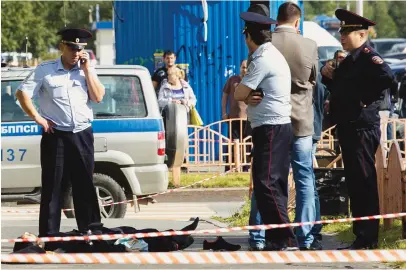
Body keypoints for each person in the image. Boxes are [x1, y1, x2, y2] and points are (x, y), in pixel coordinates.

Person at [15, 28, 105, 237]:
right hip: (56, 136)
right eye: (72, 48)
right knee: (53, 187)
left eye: (80, 49)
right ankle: (49, 236)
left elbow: (98, 97)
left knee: (85, 184)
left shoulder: (87, 70)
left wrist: (88, 70)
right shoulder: (45, 70)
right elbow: (22, 93)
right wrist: (38, 118)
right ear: (62, 46)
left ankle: (90, 232)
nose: (76, 53)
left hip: (82, 134)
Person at [321, 9, 395, 250]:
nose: (342, 36)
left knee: (364, 181)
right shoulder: (350, 59)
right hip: (349, 126)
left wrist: (365, 100)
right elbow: (342, 88)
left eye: (347, 31)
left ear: (361, 34)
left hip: (362, 126)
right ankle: (360, 234)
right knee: (354, 181)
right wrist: (328, 76)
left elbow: (387, 77)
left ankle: (368, 236)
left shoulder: (367, 56)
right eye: (341, 31)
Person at [235, 4, 295, 251]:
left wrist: (246, 95)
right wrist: (249, 96)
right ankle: (276, 238)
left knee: (266, 183)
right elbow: (246, 94)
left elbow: (239, 92)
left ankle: (285, 237)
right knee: (273, 184)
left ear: (248, 36)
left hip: (271, 128)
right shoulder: (269, 54)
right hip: (275, 127)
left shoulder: (262, 59)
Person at [271, 1, 319, 250]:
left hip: (273, 121)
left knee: (269, 179)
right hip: (301, 121)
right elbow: (313, 80)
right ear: (298, 22)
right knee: (304, 179)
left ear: (276, 19)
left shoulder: (266, 43)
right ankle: (306, 236)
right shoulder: (309, 45)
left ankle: (264, 236)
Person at [221, 60, 250, 172]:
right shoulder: (232, 80)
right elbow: (224, 96)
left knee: (247, 144)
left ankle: (246, 167)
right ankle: (229, 168)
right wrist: (224, 112)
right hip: (234, 119)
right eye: (243, 67)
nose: (245, 70)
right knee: (232, 143)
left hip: (249, 119)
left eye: (247, 67)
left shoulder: (252, 80)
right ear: (239, 68)